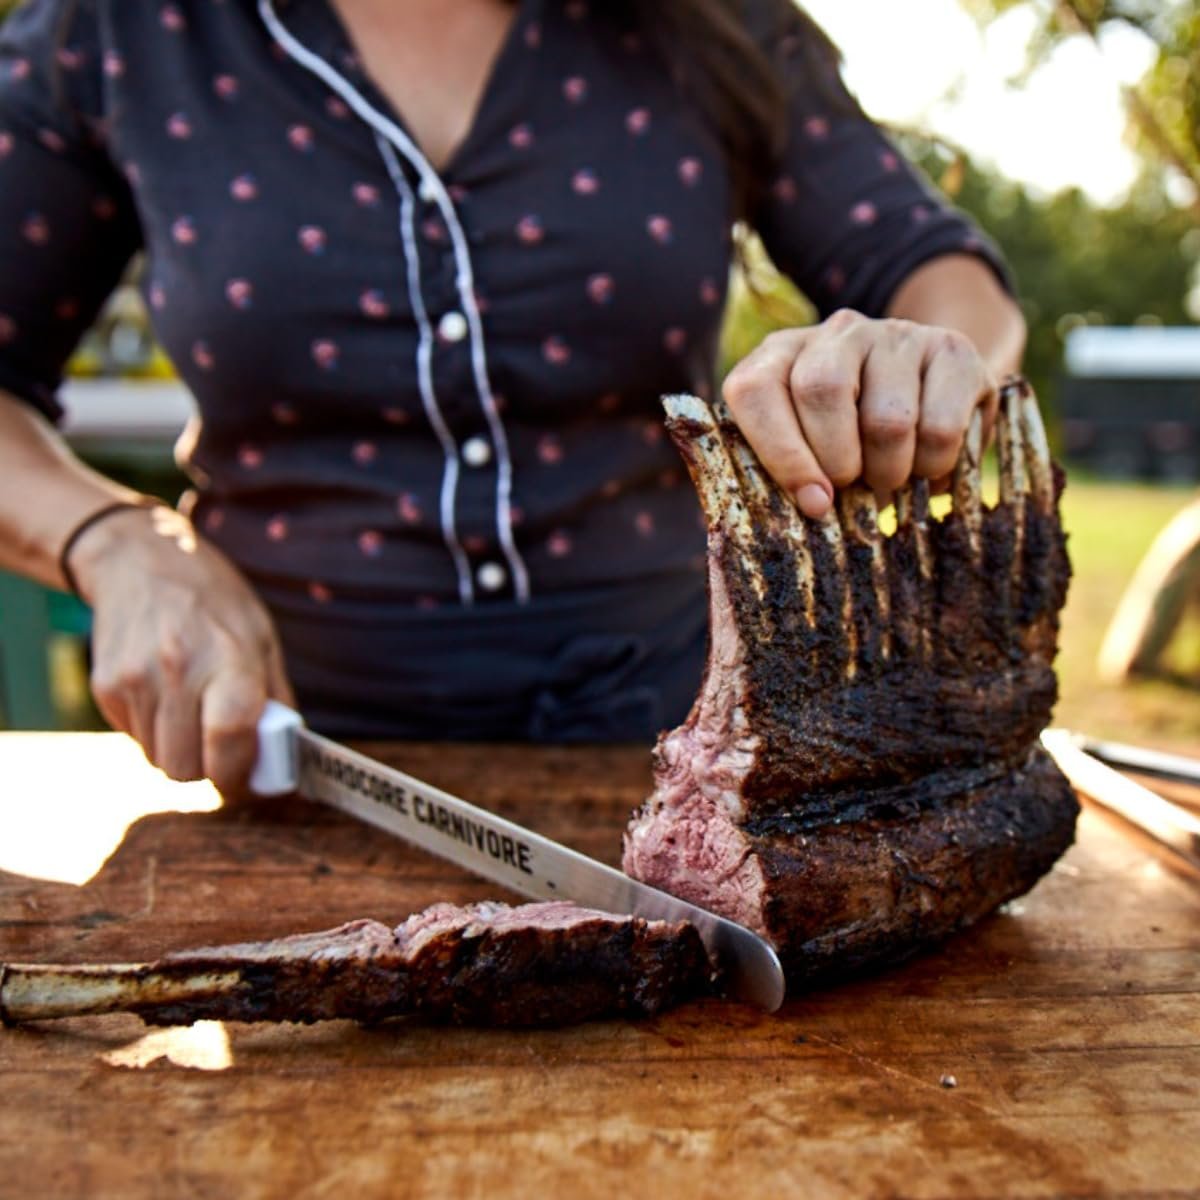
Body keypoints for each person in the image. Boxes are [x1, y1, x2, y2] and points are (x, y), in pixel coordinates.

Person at [0, 0, 1026, 793]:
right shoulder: (120, 29)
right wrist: (114, 539)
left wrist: (922, 361)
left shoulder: (716, 22)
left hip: (686, 739)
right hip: (283, 752)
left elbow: (936, 270)